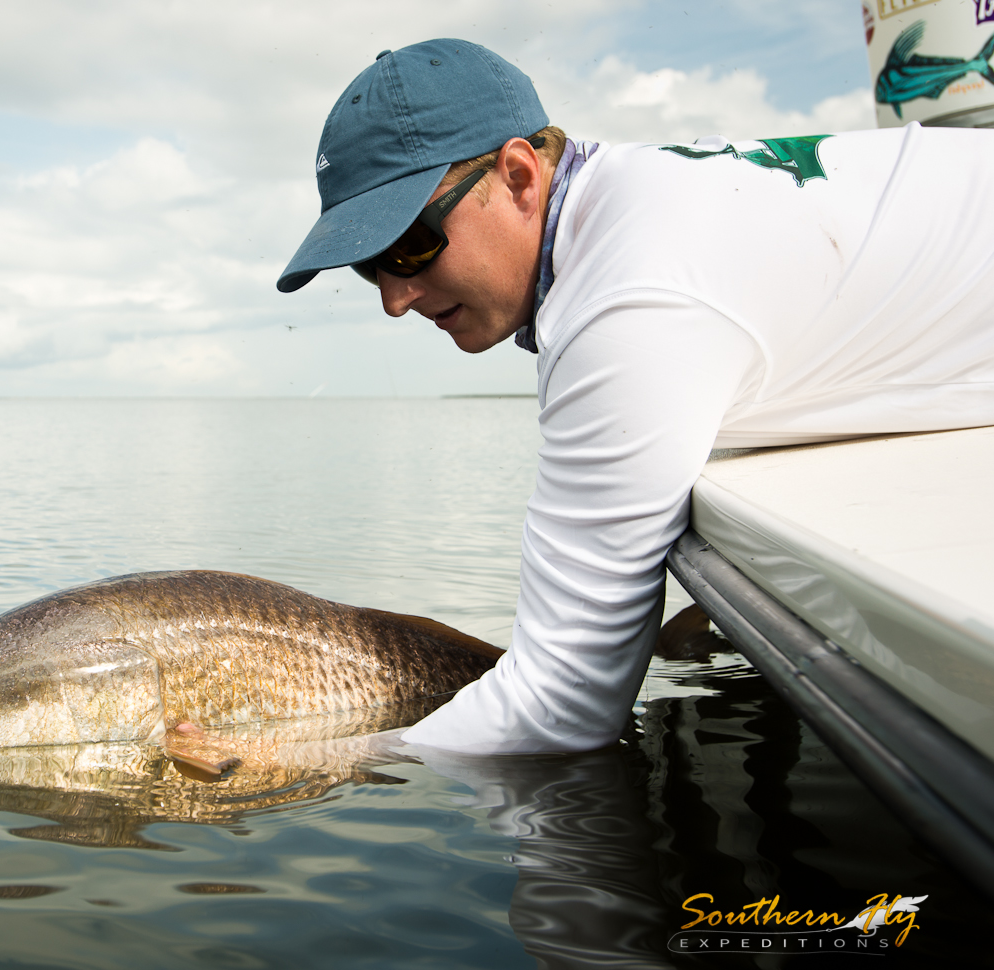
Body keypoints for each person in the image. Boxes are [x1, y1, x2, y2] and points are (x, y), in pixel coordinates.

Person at [277, 38, 994, 753]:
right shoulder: (636, 204)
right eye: (370, 266)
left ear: (521, 176)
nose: (395, 300)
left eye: (408, 245)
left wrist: (315, 762)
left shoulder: (625, 299)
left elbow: (560, 704)